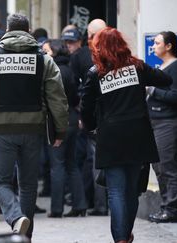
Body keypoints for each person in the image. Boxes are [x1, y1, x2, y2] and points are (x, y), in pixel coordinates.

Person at [0, 13, 68, 239]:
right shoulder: (43, 59)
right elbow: (58, 98)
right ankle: (26, 236)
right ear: (29, 30)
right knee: (29, 185)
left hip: (2, 130)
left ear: (8, 30)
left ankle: (15, 216)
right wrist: (60, 130)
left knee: (0, 181)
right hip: (33, 129)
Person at [80, 27, 172, 243]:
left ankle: (121, 239)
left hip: (111, 136)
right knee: (131, 190)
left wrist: (93, 128)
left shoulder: (96, 73)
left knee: (116, 192)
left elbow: (86, 107)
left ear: (99, 47)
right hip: (138, 134)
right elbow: (164, 79)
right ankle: (125, 235)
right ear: (122, 45)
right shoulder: (137, 67)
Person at [146, 31, 177, 223]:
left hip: (169, 122)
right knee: (159, 167)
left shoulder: (176, 66)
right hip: (157, 122)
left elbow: (175, 96)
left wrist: (153, 90)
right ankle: (166, 206)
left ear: (168, 46)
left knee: (169, 166)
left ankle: (174, 208)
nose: (153, 46)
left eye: (157, 43)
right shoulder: (162, 66)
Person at [42, 39, 86, 218]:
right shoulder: (69, 69)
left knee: (57, 165)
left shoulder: (51, 71)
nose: (43, 54)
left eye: (46, 51)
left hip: (56, 121)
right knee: (71, 164)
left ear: (54, 52)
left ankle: (57, 208)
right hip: (72, 119)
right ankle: (80, 204)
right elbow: (76, 97)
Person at [71, 18, 109, 216]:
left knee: (94, 160)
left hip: (94, 117)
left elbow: (78, 89)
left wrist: (83, 117)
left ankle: (101, 204)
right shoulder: (118, 54)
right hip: (114, 115)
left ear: (90, 36)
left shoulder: (84, 55)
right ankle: (112, 202)